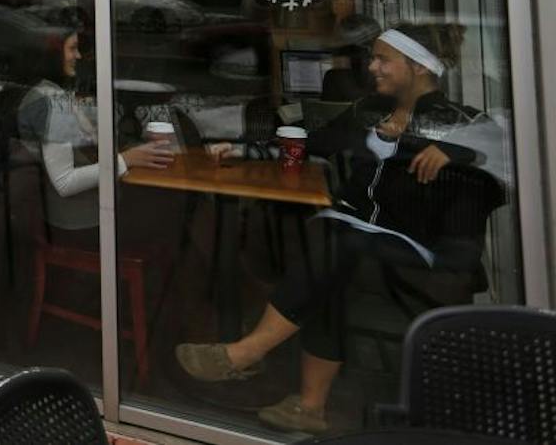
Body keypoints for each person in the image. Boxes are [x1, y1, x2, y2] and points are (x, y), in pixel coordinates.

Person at [175, 22, 504, 435]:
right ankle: (309, 406)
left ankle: (245, 352)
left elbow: (505, 148)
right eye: (374, 58)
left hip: (428, 258)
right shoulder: (370, 110)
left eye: (384, 59)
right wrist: (239, 148)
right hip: (364, 242)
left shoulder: (459, 122)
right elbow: (312, 145)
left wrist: (458, 149)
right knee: (328, 258)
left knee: (334, 246)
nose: (373, 67)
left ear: (419, 67)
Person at [18, 29, 173, 246]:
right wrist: (126, 160)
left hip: (62, 216)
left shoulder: (42, 92)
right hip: (82, 223)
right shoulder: (54, 104)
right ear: (51, 54)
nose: (79, 56)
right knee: (167, 217)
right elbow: (64, 182)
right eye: (72, 48)